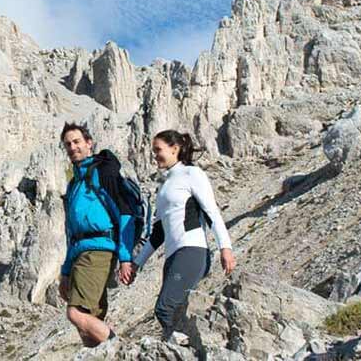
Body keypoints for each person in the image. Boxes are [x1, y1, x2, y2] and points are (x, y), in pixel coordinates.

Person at [129, 130, 236, 339]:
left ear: (175, 149)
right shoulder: (164, 186)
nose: (155, 155)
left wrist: (226, 247)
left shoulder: (191, 174)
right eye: (153, 151)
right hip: (173, 256)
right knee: (175, 310)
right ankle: (193, 346)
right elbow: (158, 234)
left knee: (165, 308)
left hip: (192, 251)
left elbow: (211, 211)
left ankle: (189, 349)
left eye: (158, 150)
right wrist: (137, 264)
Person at [58, 122, 136, 347]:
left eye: (77, 142)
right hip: (81, 252)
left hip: (98, 250)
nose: (73, 147)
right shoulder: (75, 184)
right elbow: (71, 233)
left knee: (75, 313)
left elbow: (124, 212)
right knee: (88, 330)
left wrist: (125, 257)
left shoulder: (103, 171)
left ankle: (122, 350)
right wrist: (65, 271)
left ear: (89, 143)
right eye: (68, 144)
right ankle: (104, 351)